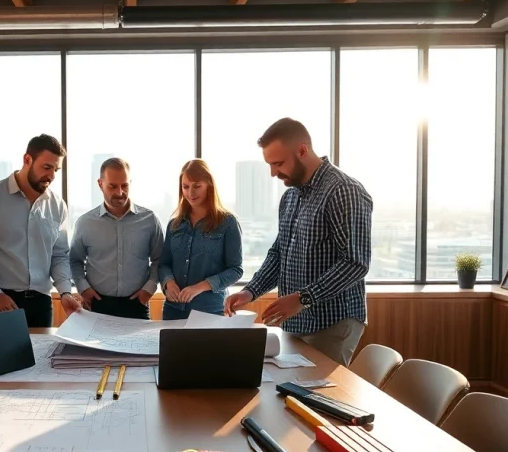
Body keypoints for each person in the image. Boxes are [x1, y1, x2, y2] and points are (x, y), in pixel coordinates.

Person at [224, 118, 372, 366]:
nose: (273, 173)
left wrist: (303, 298)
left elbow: (355, 263)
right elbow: (279, 254)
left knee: (318, 400)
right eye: (270, 165)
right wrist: (251, 291)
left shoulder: (343, 190)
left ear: (302, 150)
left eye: (278, 163)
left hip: (332, 322)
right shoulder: (291, 196)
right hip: (295, 322)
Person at [0, 134, 81, 327]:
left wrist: (65, 292)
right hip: (0, 302)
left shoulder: (57, 205)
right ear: (27, 160)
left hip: (41, 305)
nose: (52, 176)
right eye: (47, 167)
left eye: (56, 169)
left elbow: (59, 255)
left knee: (40, 358)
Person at [70, 158, 163, 320]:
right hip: (97, 304)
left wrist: (149, 290)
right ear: (100, 184)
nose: (120, 192)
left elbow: (159, 259)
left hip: (137, 304)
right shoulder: (85, 223)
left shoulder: (149, 220)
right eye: (112, 186)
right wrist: (83, 288)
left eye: (125, 186)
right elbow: (74, 260)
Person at [158, 159, 243, 320]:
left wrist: (199, 287)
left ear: (209, 185)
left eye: (197, 186)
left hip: (210, 311)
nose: (190, 192)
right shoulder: (174, 224)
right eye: (185, 186)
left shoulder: (227, 223)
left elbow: (236, 270)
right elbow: (164, 264)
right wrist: (169, 283)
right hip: (172, 311)